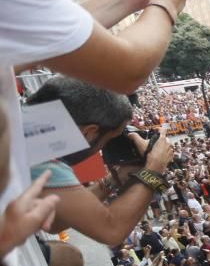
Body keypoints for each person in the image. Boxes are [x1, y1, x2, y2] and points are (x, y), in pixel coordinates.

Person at [26, 76, 174, 245]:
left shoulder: (24, 129)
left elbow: (53, 221)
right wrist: (154, 169)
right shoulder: (41, 159)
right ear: (88, 132)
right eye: (109, 139)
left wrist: (114, 179)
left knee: (68, 259)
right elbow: (111, 231)